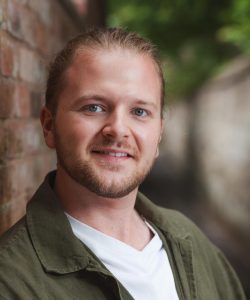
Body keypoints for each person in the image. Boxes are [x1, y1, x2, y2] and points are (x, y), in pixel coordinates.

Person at [0, 28, 246, 300]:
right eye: (93, 107)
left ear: (159, 134)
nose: (118, 129)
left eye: (139, 112)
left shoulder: (190, 240)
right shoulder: (12, 280)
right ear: (49, 126)